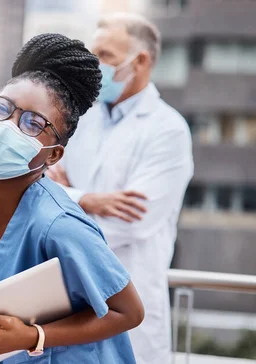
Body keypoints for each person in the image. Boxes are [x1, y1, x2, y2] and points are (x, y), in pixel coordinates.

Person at [0, 33, 145, 364]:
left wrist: (35, 336)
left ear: (54, 154)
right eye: (2, 108)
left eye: (32, 123)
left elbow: (129, 311)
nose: (6, 126)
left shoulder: (59, 225)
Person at [47, 14, 194, 364]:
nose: (93, 65)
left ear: (141, 61)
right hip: (69, 300)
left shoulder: (168, 130)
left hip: (129, 303)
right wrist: (87, 200)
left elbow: (131, 222)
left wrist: (64, 200)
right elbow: (39, 192)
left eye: (105, 55)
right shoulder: (81, 120)